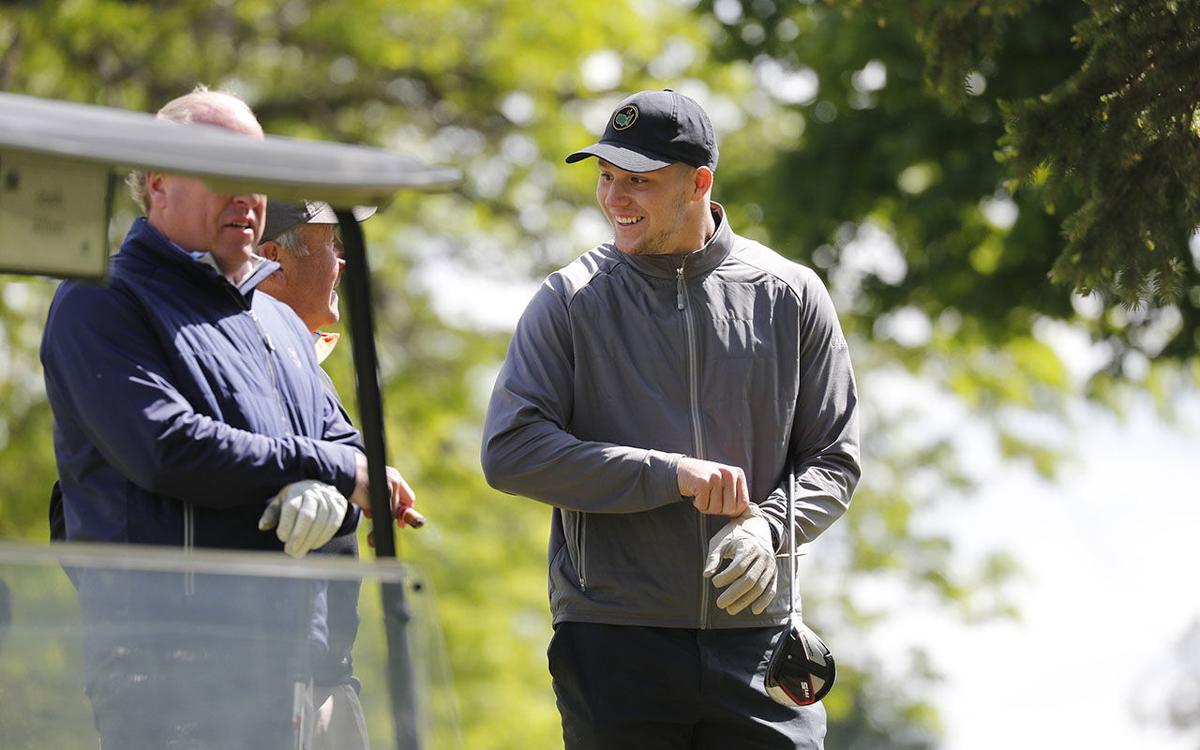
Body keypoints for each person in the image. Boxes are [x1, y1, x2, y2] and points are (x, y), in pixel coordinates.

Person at [481, 89, 860, 749]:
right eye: (606, 177)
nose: (614, 198)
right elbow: (511, 450)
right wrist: (669, 474)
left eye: (638, 182)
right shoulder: (569, 300)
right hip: (614, 642)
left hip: (760, 640)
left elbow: (834, 457)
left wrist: (766, 529)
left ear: (699, 183)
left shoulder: (791, 295)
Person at [40, 86, 415, 749]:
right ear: (157, 184)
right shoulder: (100, 300)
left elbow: (359, 460)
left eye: (258, 173)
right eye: (223, 171)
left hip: (314, 670)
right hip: (175, 675)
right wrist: (322, 469)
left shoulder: (276, 321)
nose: (247, 193)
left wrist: (338, 496)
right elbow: (165, 447)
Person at [258, 198, 377, 750]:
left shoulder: (308, 364)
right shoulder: (224, 357)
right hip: (252, 689)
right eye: (332, 245)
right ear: (271, 260)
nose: (342, 263)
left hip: (326, 683)